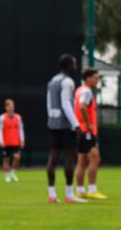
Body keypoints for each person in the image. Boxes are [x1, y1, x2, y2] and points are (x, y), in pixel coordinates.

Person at [45, 54, 85, 203]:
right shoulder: (67, 81)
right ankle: (69, 195)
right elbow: (66, 104)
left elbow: (49, 103)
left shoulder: (53, 80)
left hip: (53, 123)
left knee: (53, 158)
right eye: (74, 64)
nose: (75, 67)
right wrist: (76, 125)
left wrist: (51, 118)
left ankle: (52, 194)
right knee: (69, 158)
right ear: (68, 66)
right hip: (66, 125)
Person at [74, 68, 106, 200]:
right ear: (87, 78)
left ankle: (80, 190)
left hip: (81, 131)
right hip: (87, 131)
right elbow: (82, 106)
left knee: (81, 161)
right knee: (95, 159)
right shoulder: (87, 91)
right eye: (95, 78)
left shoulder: (79, 90)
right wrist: (87, 123)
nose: (97, 80)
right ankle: (92, 189)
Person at [0, 98, 25, 183]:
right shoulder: (2, 117)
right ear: (6, 107)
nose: (11, 107)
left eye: (12, 106)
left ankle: (12, 173)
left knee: (17, 157)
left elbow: (21, 129)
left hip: (15, 142)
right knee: (6, 159)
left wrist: (22, 140)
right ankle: (7, 176)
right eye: (9, 106)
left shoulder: (18, 117)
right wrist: (0, 141)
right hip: (6, 142)